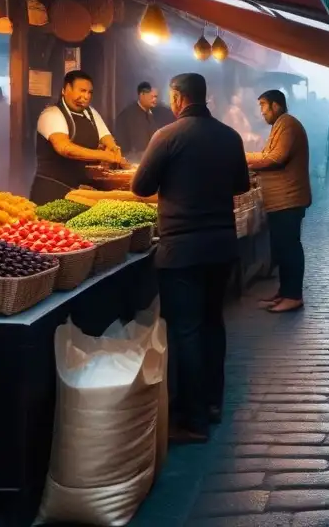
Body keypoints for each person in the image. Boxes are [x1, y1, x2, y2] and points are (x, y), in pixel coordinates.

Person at [131, 73, 249, 444]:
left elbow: (141, 187)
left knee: (186, 332)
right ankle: (213, 404)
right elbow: (242, 185)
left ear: (179, 98)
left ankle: (194, 421)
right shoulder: (230, 136)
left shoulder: (166, 136)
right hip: (222, 247)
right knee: (213, 324)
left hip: (181, 249)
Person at [248, 90, 311, 313]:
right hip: (280, 201)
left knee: (290, 247)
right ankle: (285, 291)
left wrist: (243, 157)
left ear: (276, 105)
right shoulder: (280, 125)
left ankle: (293, 296)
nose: (262, 111)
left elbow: (275, 157)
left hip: (289, 199)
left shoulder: (288, 124)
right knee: (282, 248)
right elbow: (267, 154)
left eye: (263, 105)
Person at [30, 70, 125, 204]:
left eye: (89, 92)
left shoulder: (91, 113)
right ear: (66, 89)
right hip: (51, 190)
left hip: (79, 191)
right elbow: (64, 148)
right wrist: (103, 155)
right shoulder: (51, 114)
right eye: (82, 91)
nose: (86, 96)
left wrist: (115, 151)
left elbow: (107, 139)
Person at [114, 81, 161, 160]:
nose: (155, 100)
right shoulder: (129, 114)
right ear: (142, 95)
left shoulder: (152, 113)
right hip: (131, 159)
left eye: (156, 97)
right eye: (152, 97)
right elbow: (136, 147)